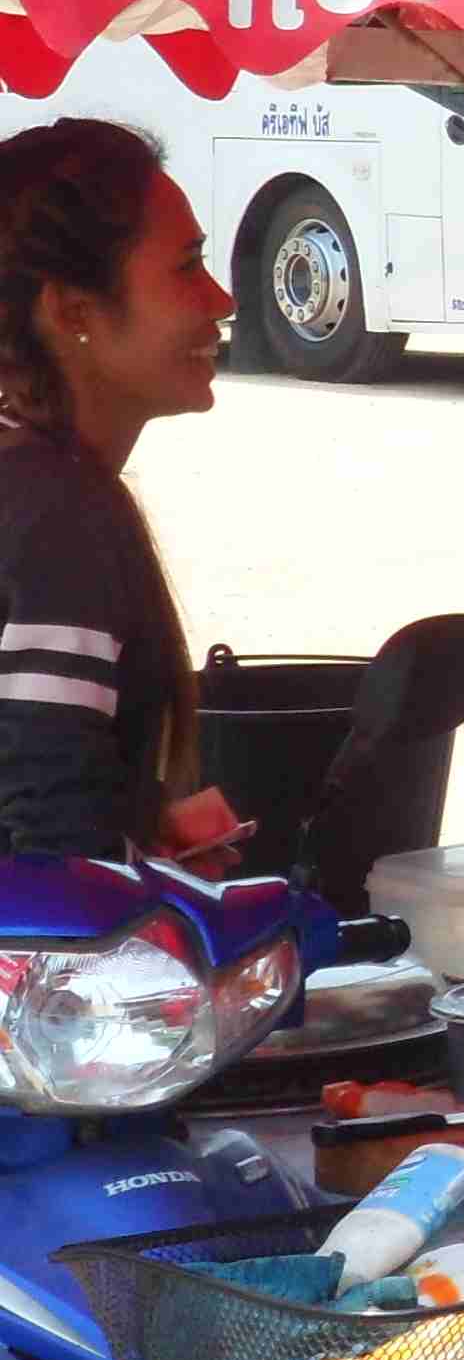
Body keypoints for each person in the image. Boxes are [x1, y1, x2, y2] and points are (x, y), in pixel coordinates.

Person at [0, 122, 242, 863]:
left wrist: (143, 842)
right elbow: (53, 841)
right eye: (187, 267)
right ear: (72, 311)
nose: (222, 299)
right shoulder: (58, 510)